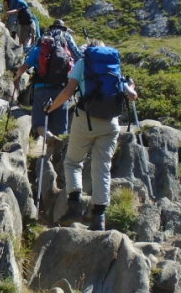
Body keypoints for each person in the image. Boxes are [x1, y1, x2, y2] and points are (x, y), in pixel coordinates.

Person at [45, 40, 138, 231]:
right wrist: (132, 86)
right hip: (111, 123)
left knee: (72, 162)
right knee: (102, 167)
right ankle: (99, 219)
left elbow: (69, 91)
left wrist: (51, 107)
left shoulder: (83, 63)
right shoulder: (113, 65)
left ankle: (75, 205)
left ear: (89, 50)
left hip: (86, 120)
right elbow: (132, 96)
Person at [11, 21, 77, 151]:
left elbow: (24, 67)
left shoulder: (40, 49)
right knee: (61, 128)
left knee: (39, 122)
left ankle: (47, 136)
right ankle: (52, 156)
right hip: (61, 90)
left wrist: (16, 77)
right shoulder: (67, 50)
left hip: (41, 88)